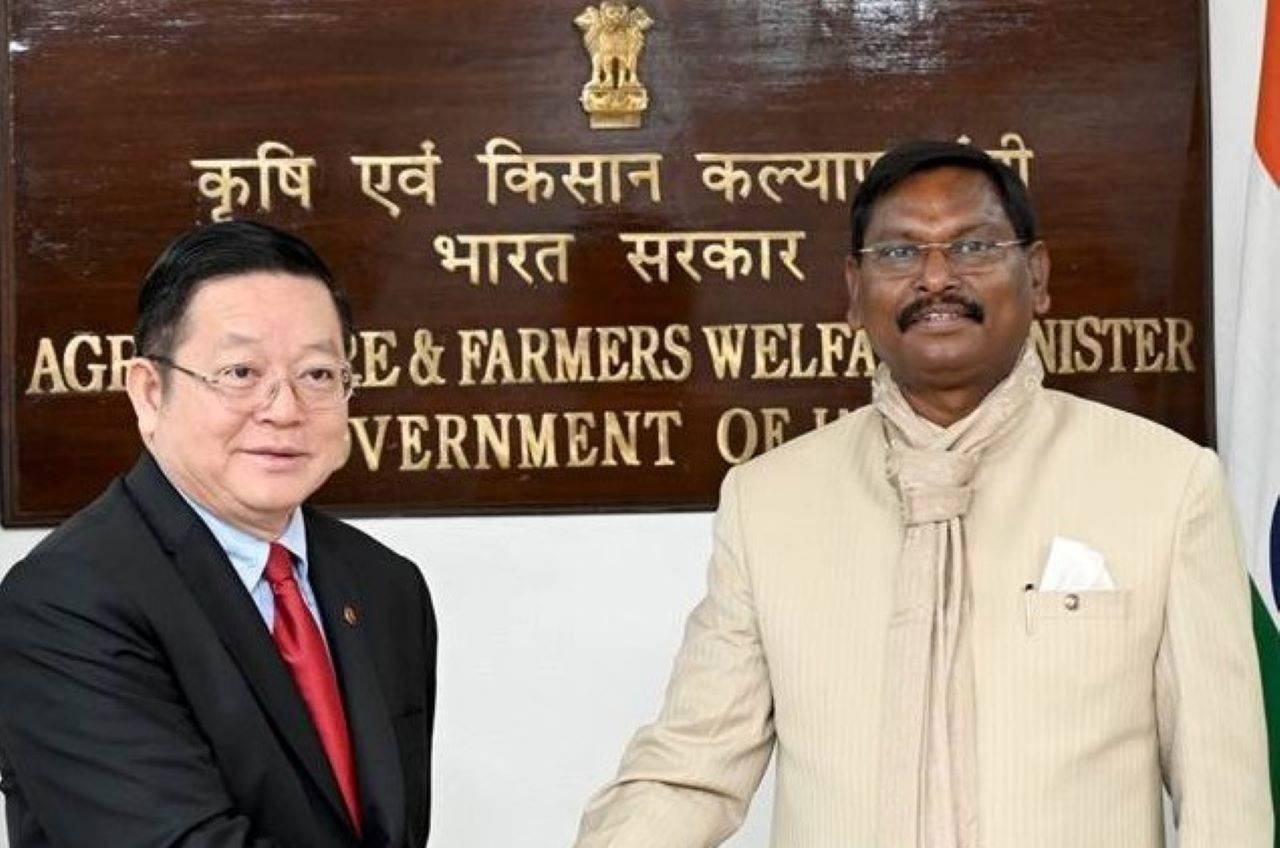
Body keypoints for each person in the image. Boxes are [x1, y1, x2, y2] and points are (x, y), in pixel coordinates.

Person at [573, 140, 1272, 847]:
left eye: (972, 246)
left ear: (1037, 274)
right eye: (899, 254)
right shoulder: (769, 503)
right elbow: (693, 769)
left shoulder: (1165, 484)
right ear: (853, 290)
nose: (937, 278)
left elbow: (1224, 796)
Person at [0, 221, 436, 847]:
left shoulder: (386, 586)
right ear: (150, 393)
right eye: (240, 372)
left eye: (317, 374)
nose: (284, 409)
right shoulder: (63, 603)